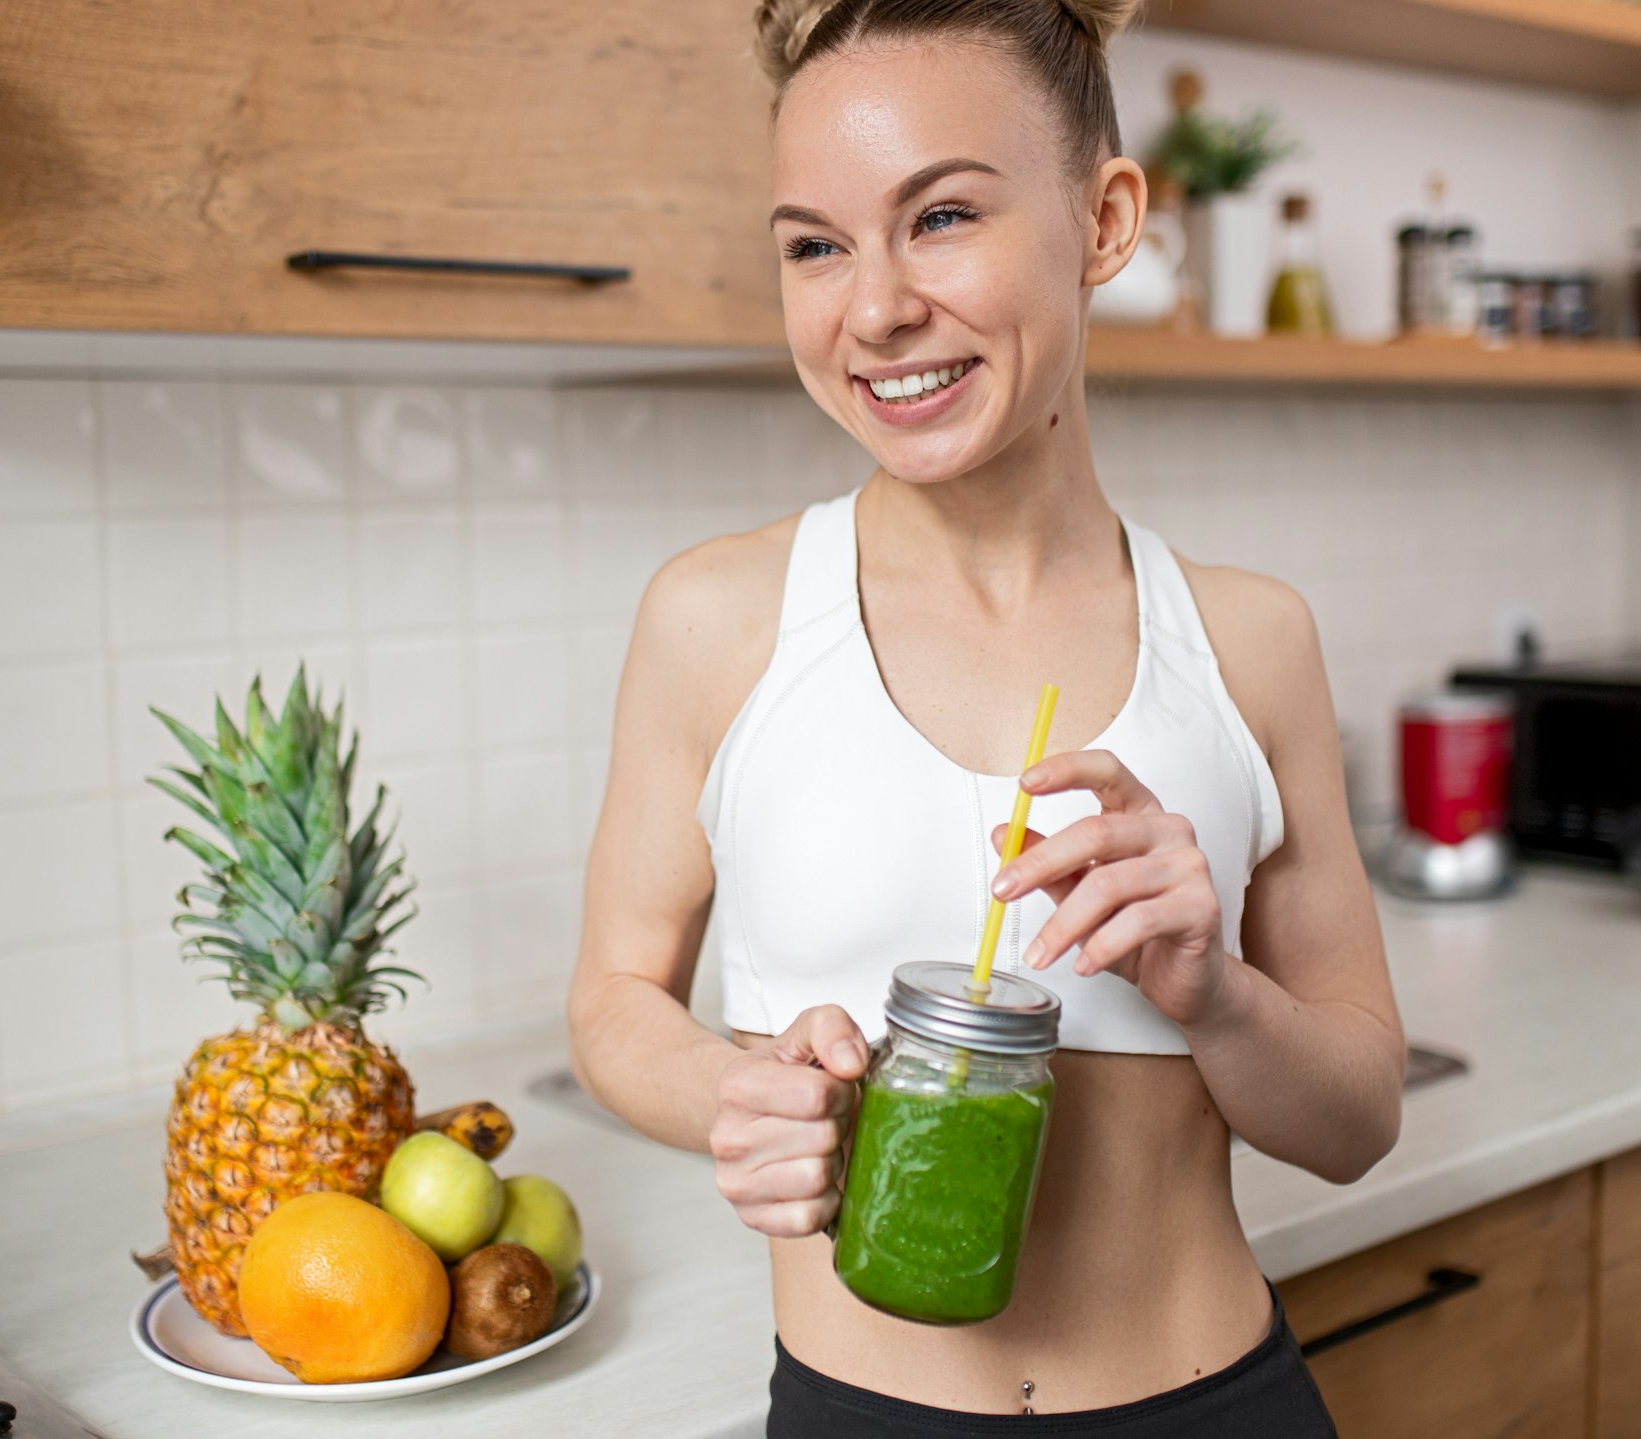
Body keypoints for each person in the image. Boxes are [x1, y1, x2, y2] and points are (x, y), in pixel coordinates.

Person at [567, 0, 1406, 1431]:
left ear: (1105, 219)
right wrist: (731, 1091)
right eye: (815, 245)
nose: (875, 307)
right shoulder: (717, 620)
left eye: (940, 216)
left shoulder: (1252, 644)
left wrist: (1212, 989)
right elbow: (610, 1004)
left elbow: (1355, 1120)